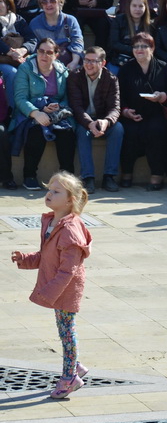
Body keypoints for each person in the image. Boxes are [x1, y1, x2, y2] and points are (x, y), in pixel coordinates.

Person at [11, 171, 91, 399]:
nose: (49, 194)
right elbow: (46, 255)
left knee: (67, 333)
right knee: (64, 330)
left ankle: (69, 379)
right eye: (49, 189)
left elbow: (69, 270)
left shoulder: (70, 231)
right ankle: (75, 367)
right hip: (57, 287)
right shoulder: (51, 221)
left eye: (56, 192)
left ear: (70, 200)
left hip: (66, 289)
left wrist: (49, 293)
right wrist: (26, 259)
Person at [118, 31, 167, 190]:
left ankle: (157, 175)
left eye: (144, 46)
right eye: (136, 46)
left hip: (156, 114)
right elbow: (118, 95)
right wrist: (125, 111)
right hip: (132, 114)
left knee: (157, 130)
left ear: (152, 48)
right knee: (129, 131)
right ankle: (126, 173)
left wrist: (162, 96)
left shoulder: (163, 67)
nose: (139, 49)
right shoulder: (126, 69)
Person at [13, 37, 75, 191]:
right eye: (41, 51)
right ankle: (29, 176)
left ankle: (66, 178)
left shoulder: (61, 71)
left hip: (56, 112)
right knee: (36, 131)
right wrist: (36, 112)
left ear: (56, 55)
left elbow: (66, 97)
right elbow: (20, 98)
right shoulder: (25, 68)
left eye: (49, 52)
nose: (44, 55)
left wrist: (58, 107)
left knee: (67, 132)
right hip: (30, 111)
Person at [67, 46, 121, 194]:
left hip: (103, 119)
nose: (88, 64)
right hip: (84, 120)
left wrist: (107, 121)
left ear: (103, 63)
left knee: (118, 129)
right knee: (82, 132)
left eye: (93, 61)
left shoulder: (111, 79)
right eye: (86, 60)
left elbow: (115, 108)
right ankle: (88, 177)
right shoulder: (75, 77)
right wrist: (89, 123)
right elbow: (76, 106)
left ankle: (109, 176)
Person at [0, 0, 37, 105]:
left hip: (20, 57)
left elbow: (32, 39)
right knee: (12, 73)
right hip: (3, 59)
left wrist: (23, 50)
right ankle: (13, 110)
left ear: (7, 4)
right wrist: (9, 52)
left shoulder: (19, 20)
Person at [29, 0, 81, 69]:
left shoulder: (70, 20)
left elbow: (77, 43)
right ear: (41, 5)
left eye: (52, 1)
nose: (48, 4)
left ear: (60, 3)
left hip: (69, 63)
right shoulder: (34, 23)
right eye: (44, 2)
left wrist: (74, 62)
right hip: (44, 65)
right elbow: (34, 48)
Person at [106, 0, 150, 74]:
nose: (137, 9)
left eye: (141, 6)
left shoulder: (149, 25)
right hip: (119, 59)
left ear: (145, 7)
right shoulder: (118, 20)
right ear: (129, 6)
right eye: (134, 6)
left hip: (142, 60)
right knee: (113, 73)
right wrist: (134, 50)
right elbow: (113, 43)